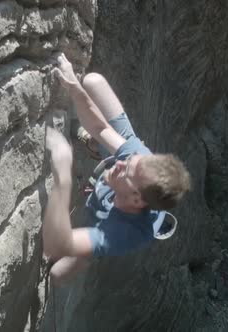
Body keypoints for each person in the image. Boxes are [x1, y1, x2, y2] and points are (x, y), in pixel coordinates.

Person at [44, 53, 191, 285]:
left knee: (56, 274)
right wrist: (72, 85)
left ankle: (88, 250)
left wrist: (63, 179)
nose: (120, 164)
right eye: (128, 161)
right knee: (92, 82)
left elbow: (57, 243)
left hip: (102, 223)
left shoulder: (122, 233)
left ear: (136, 199)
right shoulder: (137, 159)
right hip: (127, 186)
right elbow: (100, 127)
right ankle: (94, 146)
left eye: (126, 172)